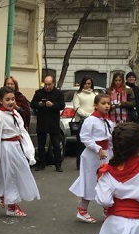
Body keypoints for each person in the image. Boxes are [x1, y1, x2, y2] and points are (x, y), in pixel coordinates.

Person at [0, 87, 39, 217]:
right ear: (0, 101)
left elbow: (23, 133)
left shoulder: (16, 113)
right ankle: (11, 206)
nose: (10, 102)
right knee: (10, 175)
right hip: (6, 148)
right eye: (7, 99)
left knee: (19, 171)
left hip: (16, 147)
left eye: (12, 99)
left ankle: (4, 195)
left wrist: (29, 153)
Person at [70, 94, 112, 224]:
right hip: (92, 156)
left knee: (107, 182)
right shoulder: (90, 120)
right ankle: (82, 210)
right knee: (90, 182)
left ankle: (107, 210)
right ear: (95, 105)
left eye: (108, 103)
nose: (106, 106)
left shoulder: (108, 121)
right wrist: (97, 148)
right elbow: (85, 138)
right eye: (103, 103)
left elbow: (110, 139)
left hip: (106, 155)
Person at [30, 76, 65, 172]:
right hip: (42, 122)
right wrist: (39, 104)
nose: (47, 86)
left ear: (53, 84)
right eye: (45, 84)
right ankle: (41, 164)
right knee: (41, 145)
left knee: (56, 145)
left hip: (53, 122)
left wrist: (53, 105)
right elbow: (32, 104)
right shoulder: (39, 93)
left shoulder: (58, 93)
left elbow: (62, 105)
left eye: (49, 84)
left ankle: (58, 164)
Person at [72, 77, 96, 169]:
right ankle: (80, 164)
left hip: (93, 121)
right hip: (81, 121)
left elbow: (96, 106)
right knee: (81, 144)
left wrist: (93, 115)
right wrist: (88, 115)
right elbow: (77, 108)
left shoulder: (94, 94)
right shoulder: (78, 94)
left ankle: (91, 164)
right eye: (85, 83)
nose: (87, 85)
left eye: (89, 83)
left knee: (92, 143)